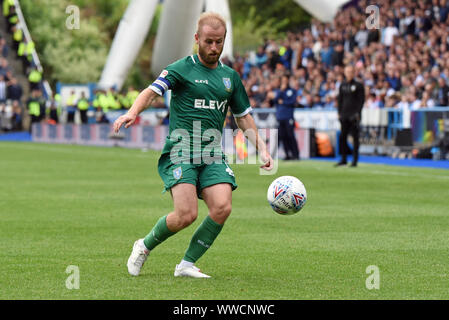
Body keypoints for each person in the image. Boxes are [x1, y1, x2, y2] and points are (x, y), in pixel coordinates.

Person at [113, 12, 274, 279]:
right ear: (197, 39)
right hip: (181, 150)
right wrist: (132, 112)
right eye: (209, 42)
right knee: (186, 214)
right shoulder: (180, 68)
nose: (214, 48)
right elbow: (152, 91)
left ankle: (186, 264)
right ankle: (143, 245)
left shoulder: (230, 78)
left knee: (222, 207)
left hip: (212, 153)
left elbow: (243, 116)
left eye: (219, 42)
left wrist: (263, 149)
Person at [336, 65, 365, 167]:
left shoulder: (358, 85)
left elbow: (361, 101)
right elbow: (340, 100)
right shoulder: (342, 85)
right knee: (343, 137)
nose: (349, 74)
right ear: (345, 73)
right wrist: (339, 112)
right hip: (344, 115)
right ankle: (343, 159)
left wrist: (358, 113)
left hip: (354, 116)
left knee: (355, 138)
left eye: (351, 72)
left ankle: (355, 160)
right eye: (347, 72)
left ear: (354, 73)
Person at [271, 75, 300, 160]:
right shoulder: (279, 91)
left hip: (288, 116)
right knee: (283, 136)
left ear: (288, 81)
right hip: (280, 117)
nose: (284, 82)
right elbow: (275, 100)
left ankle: (296, 155)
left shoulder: (292, 91)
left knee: (290, 135)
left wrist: (283, 101)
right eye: (283, 80)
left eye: (285, 80)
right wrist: (281, 91)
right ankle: (287, 154)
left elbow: (292, 101)